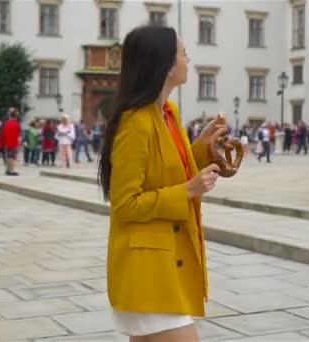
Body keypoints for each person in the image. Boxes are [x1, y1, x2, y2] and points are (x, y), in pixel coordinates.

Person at [98, 25, 227, 341]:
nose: (188, 61)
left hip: (164, 266)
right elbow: (125, 204)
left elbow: (171, 169)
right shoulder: (136, 123)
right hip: (148, 270)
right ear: (165, 66)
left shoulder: (167, 112)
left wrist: (202, 146)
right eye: (183, 54)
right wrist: (187, 191)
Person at [0, 110, 21, 176]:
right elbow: (18, 133)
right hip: (13, 142)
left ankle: (8, 170)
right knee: (12, 157)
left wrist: (3, 141)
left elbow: (3, 132)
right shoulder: (15, 123)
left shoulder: (6, 123)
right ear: (15, 116)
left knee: (9, 156)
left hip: (7, 142)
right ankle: (11, 171)